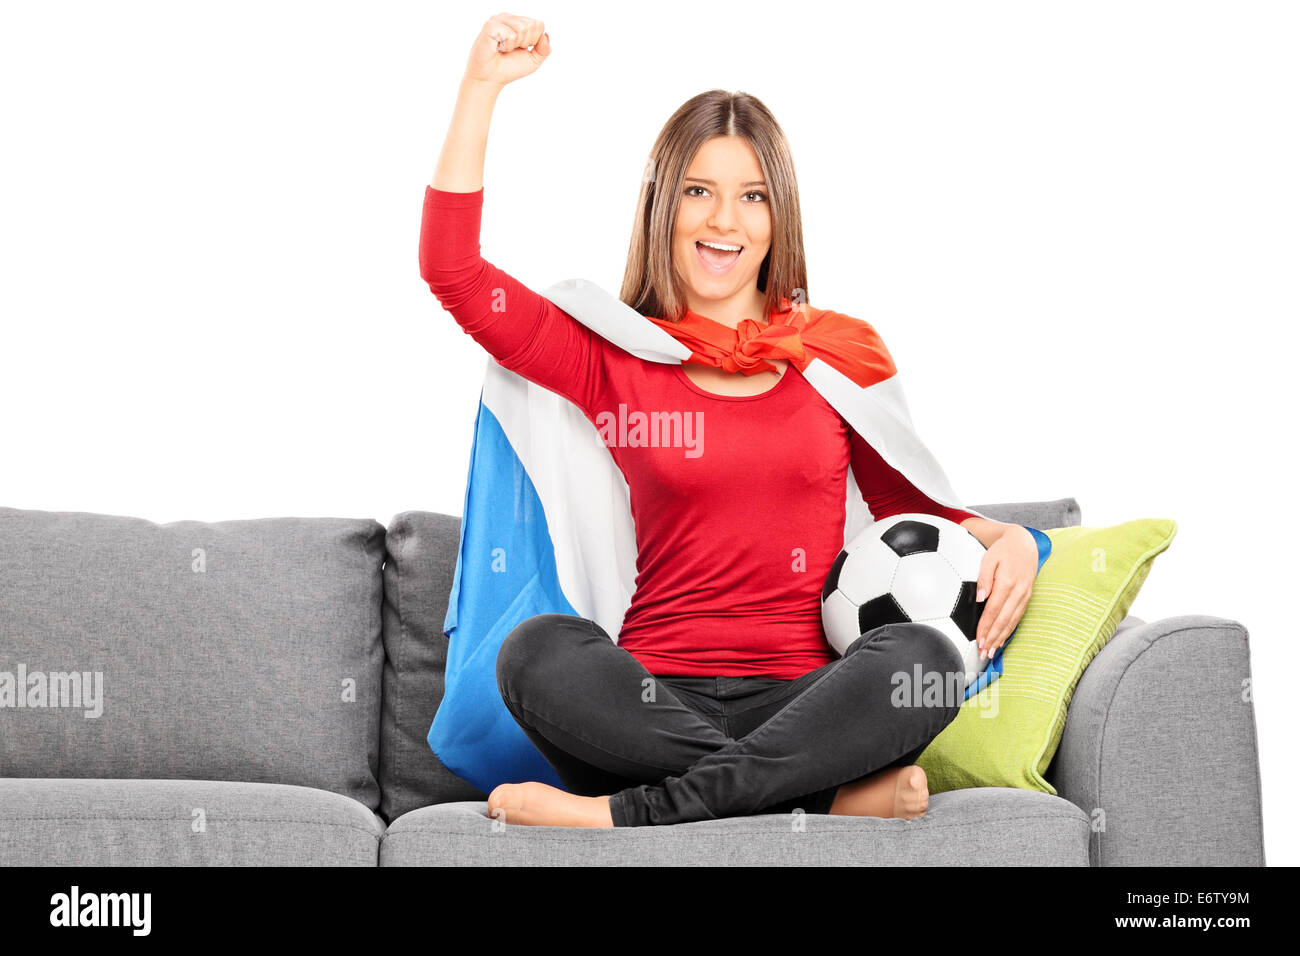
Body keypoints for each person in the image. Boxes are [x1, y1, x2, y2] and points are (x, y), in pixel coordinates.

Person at [419, 13, 1040, 828]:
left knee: (921, 656)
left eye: (751, 197)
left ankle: (626, 817)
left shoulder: (834, 358)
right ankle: (815, 796)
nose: (724, 222)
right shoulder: (616, 355)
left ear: (778, 217)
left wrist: (1014, 540)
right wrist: (479, 89)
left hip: (807, 705)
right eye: (698, 192)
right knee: (535, 651)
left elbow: (915, 512)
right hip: (642, 708)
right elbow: (455, 273)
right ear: (662, 207)